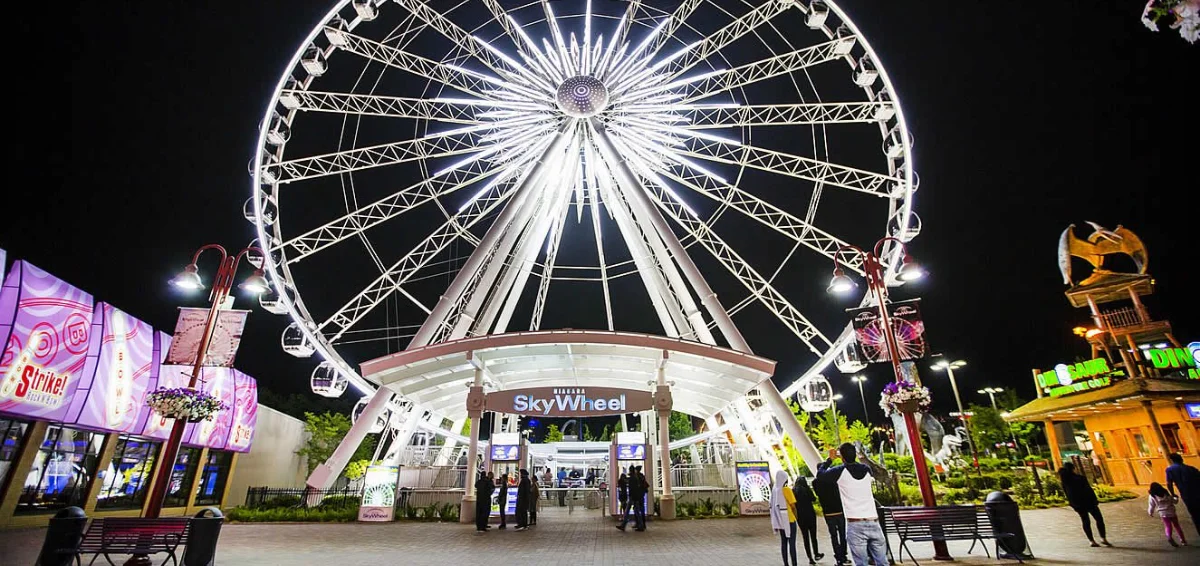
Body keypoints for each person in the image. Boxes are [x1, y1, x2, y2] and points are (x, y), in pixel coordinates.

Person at [814, 444, 887, 566]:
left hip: (855, 523)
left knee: (861, 563)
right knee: (882, 562)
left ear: (841, 457)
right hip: (873, 521)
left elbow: (820, 475)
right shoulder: (866, 469)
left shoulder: (840, 471)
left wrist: (830, 459)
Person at [1059, 461, 1111, 547]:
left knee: (1085, 521)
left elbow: (1067, 493)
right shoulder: (1080, 478)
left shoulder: (1064, 481)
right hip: (1089, 501)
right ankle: (1103, 538)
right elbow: (1088, 490)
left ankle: (1091, 541)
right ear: (1073, 468)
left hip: (1078, 504)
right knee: (1099, 519)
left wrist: (1072, 504)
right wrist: (1095, 500)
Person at [811, 453, 848, 566]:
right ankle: (843, 555)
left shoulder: (815, 483)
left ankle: (838, 558)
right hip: (839, 510)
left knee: (833, 536)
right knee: (842, 534)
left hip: (828, 512)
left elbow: (817, 494)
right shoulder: (833, 480)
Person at [1166, 452, 1200, 537]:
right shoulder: (1191, 468)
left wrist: (1173, 493)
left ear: (1172, 460)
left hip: (1186, 494)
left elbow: (1169, 483)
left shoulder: (1170, 470)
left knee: (1195, 514)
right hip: (1197, 492)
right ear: (1181, 459)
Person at [792, 477, 825, 565]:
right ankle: (816, 553)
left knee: (805, 537)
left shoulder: (793, 490)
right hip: (810, 515)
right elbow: (814, 499)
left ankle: (810, 558)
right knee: (813, 536)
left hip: (800, 517)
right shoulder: (806, 489)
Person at [770, 471, 799, 566]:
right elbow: (793, 506)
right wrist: (796, 517)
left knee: (784, 543)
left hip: (780, 521)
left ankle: (786, 564)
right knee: (792, 543)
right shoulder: (786, 489)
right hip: (789, 519)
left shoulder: (775, 489)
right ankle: (794, 564)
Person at [1148, 481, 1187, 547]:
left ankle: (1169, 537)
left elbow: (1151, 505)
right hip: (1171, 512)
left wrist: (1150, 512)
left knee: (1168, 526)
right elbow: (1174, 501)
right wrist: (1176, 498)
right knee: (1177, 526)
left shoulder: (1152, 496)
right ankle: (1183, 541)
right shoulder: (1165, 493)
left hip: (1163, 513)